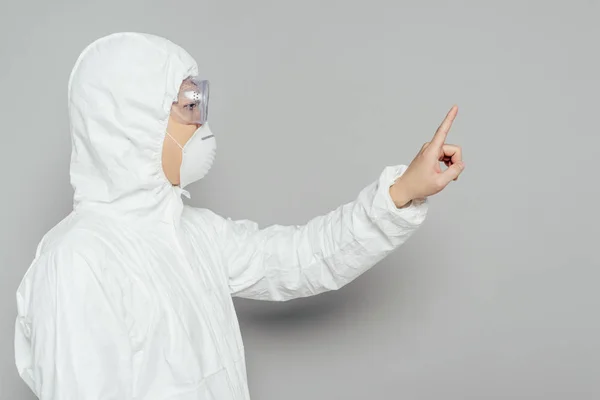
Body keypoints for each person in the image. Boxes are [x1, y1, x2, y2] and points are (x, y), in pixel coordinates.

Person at [14, 32, 464, 400]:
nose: (202, 125)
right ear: (131, 123)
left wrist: (403, 191)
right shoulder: (78, 263)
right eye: (188, 107)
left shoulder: (191, 233)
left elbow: (300, 259)